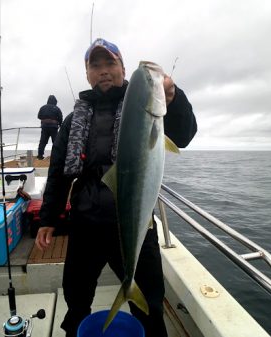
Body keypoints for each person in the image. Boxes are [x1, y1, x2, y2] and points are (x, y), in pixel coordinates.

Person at [36, 38, 197, 337]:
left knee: (149, 302)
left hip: (135, 221)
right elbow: (58, 173)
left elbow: (184, 135)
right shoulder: (73, 121)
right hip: (85, 223)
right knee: (76, 297)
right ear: (86, 73)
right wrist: (48, 219)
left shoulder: (144, 108)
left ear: (123, 68)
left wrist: (174, 99)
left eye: (110, 63)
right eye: (95, 65)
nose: (103, 71)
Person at [37, 95, 63, 160]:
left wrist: (45, 119)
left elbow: (39, 116)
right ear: (55, 101)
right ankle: (56, 156)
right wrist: (60, 124)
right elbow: (60, 118)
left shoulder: (42, 107)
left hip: (44, 127)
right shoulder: (57, 108)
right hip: (53, 127)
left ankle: (40, 156)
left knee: (43, 141)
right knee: (55, 142)